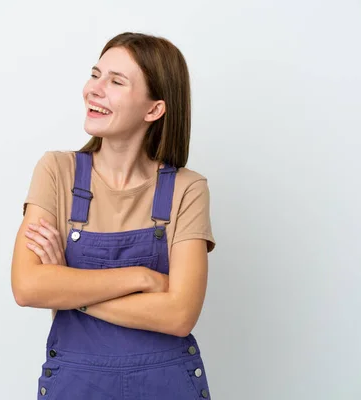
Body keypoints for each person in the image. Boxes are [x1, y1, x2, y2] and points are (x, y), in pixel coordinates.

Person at [11, 32, 216, 400]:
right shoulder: (57, 172)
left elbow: (179, 315)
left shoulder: (188, 189)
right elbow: (27, 287)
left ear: (153, 109)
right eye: (95, 74)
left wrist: (68, 288)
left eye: (116, 81)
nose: (93, 89)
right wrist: (140, 278)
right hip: (76, 387)